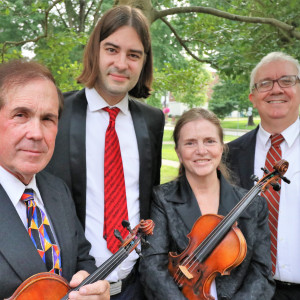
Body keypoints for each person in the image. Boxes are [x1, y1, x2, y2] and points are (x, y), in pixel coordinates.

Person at [46, 5, 164, 299]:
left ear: (144, 62)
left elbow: (151, 195)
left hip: (137, 285)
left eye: (133, 55)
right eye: (112, 49)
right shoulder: (56, 112)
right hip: (71, 286)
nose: (122, 64)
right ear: (95, 52)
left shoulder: (152, 121)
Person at [0, 59, 109, 299]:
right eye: (20, 115)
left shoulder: (57, 189)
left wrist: (92, 285)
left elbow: (82, 258)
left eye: (48, 119)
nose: (37, 134)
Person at [139, 108, 275, 300]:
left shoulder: (254, 205)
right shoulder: (162, 198)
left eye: (209, 141)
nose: (201, 151)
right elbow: (153, 268)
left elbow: (261, 273)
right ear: (178, 151)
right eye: (190, 143)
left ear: (222, 148)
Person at [227, 52, 300, 299]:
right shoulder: (230, 154)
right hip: (246, 291)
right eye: (265, 83)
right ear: (253, 97)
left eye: (287, 81)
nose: (276, 90)